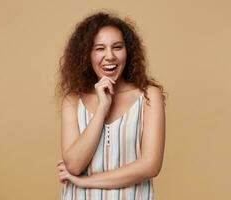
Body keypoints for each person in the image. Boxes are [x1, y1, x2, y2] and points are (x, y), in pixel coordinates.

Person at [56, 11, 166, 200]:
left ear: (128, 51)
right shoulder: (73, 101)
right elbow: (74, 165)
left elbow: (150, 165)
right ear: (86, 55)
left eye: (117, 47)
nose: (110, 56)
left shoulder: (148, 96)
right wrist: (101, 109)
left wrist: (86, 181)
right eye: (99, 48)